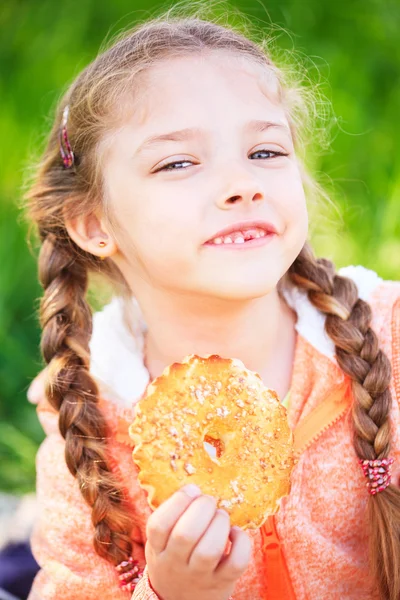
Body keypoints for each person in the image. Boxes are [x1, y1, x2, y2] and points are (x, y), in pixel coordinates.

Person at [23, 9, 400, 600]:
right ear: (94, 223)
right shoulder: (92, 426)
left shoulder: (386, 340)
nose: (242, 183)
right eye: (178, 162)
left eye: (266, 152)